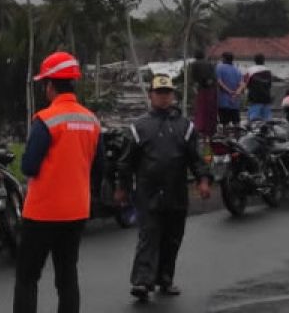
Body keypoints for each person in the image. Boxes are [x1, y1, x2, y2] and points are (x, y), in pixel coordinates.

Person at [14, 51, 103, 313]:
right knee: (66, 276)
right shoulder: (91, 120)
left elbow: (29, 165)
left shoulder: (46, 120)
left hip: (42, 212)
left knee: (27, 277)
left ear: (50, 85)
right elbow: (100, 167)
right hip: (76, 211)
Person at [116, 75, 212, 301]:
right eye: (159, 93)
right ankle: (142, 281)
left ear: (173, 96)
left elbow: (196, 159)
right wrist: (122, 188)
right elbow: (126, 162)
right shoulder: (138, 127)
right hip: (148, 193)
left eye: (167, 93)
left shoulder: (185, 127)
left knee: (172, 238)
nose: (163, 97)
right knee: (149, 235)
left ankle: (165, 279)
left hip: (176, 191)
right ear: (151, 95)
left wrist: (204, 181)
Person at [189, 49, 218, 138]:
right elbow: (214, 77)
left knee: (201, 110)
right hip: (212, 89)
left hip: (202, 89)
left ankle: (200, 128)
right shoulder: (210, 64)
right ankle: (211, 130)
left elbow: (193, 78)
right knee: (210, 111)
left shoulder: (195, 64)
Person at [214, 53, 244, 128]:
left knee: (225, 123)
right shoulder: (237, 70)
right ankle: (238, 139)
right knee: (236, 123)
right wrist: (235, 94)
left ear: (224, 59)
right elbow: (242, 84)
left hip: (223, 101)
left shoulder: (219, 68)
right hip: (235, 102)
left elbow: (219, 82)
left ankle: (226, 138)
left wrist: (229, 91)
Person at [244, 54, 273, 122]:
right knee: (267, 121)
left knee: (253, 120)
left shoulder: (250, 70)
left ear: (254, 60)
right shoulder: (268, 71)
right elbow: (270, 85)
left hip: (255, 99)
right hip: (266, 99)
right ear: (264, 61)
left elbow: (245, 83)